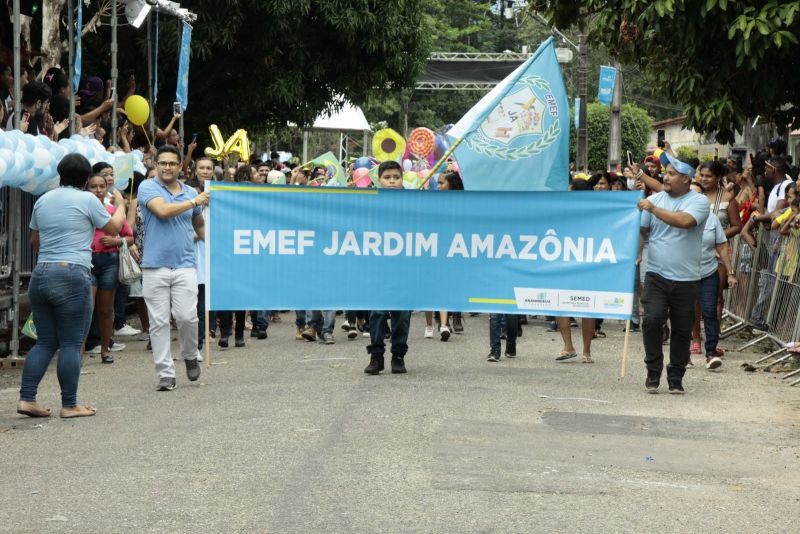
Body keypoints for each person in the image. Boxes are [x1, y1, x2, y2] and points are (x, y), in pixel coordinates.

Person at [17, 154, 127, 419]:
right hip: (73, 274)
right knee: (70, 342)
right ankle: (70, 404)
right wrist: (122, 204)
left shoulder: (43, 200)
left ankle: (27, 398)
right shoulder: (88, 199)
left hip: (41, 274)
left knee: (45, 341)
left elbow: (35, 241)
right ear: (87, 179)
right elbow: (114, 227)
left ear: (60, 174)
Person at [138, 145, 209, 391]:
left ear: (180, 166)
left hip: (185, 264)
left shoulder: (190, 191)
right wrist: (194, 201)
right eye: (163, 163)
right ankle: (165, 374)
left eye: (172, 163)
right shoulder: (147, 187)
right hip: (154, 265)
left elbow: (199, 223)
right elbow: (163, 211)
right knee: (158, 323)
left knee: (188, 317)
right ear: (155, 165)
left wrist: (208, 240)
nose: (167, 167)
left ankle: (190, 354)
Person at [637, 152, 710, 394]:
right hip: (656, 274)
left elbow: (685, 221)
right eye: (665, 173)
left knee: (681, 328)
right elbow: (642, 230)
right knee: (652, 319)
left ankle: (676, 375)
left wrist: (654, 209)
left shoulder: (698, 202)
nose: (665, 178)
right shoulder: (655, 198)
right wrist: (636, 256)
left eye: (671, 174)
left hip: (687, 278)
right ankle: (653, 370)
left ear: (686, 179)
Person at [364, 161, 412, 375]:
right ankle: (376, 356)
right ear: (379, 180)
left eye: (396, 177)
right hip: (378, 268)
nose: (392, 181)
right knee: (377, 312)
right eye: (387, 177)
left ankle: (398, 355)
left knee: (402, 315)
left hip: (404, 268)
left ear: (402, 179)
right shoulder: (369, 203)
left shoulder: (415, 202)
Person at [85, 174, 134, 363]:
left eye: (101, 187)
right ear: (86, 188)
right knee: (86, 309)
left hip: (109, 261)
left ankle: (105, 350)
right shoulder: (82, 210)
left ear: (106, 189)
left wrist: (115, 240)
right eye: (93, 187)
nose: (98, 190)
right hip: (87, 261)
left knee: (105, 310)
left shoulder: (113, 210)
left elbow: (129, 238)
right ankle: (78, 353)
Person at [688, 182, 737, 370]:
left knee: (709, 311)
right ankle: (683, 354)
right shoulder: (677, 218)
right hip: (683, 274)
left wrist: (731, 272)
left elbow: (722, 246)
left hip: (708, 272)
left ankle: (711, 353)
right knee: (684, 313)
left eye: (700, 196)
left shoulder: (712, 219)